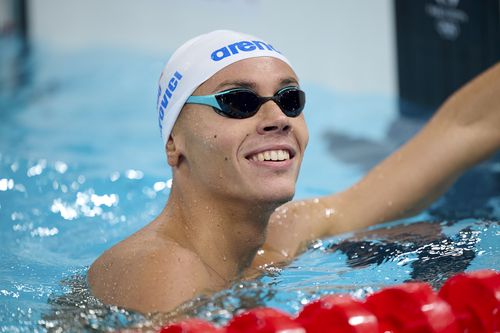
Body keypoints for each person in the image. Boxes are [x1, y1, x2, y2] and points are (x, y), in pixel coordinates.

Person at [88, 30, 500, 313]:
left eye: (290, 99)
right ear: (174, 144)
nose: (277, 117)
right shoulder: (163, 272)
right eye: (239, 102)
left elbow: (461, 130)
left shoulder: (287, 233)